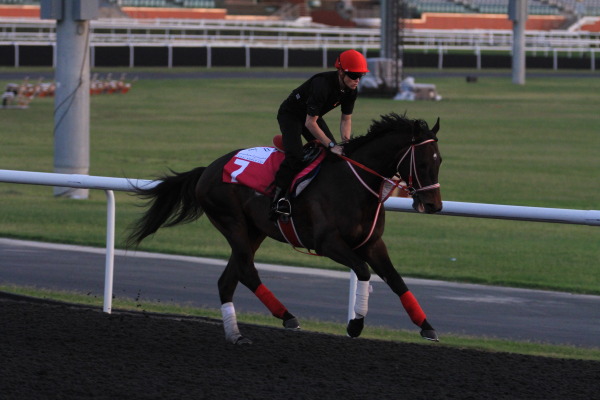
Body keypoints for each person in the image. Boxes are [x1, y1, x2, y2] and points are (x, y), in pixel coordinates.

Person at [271, 49, 369, 217]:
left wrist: (345, 144)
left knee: (334, 156)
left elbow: (346, 119)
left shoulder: (351, 90)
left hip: (312, 117)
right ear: (340, 71)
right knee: (295, 156)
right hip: (292, 115)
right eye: (353, 75)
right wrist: (331, 145)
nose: (357, 80)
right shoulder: (322, 85)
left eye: (361, 76)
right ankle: (278, 200)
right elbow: (310, 123)